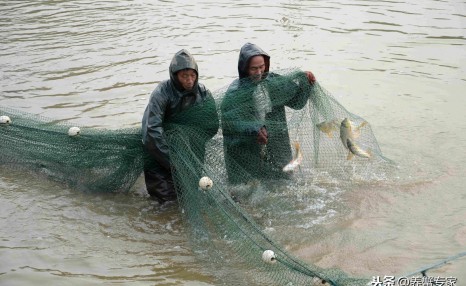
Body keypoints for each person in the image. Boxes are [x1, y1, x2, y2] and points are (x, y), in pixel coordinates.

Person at [220, 42, 316, 184]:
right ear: (244, 68)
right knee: (249, 187)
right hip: (247, 148)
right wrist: (255, 130)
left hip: (276, 142)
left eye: (261, 67)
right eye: (253, 68)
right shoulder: (235, 92)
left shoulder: (274, 82)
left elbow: (297, 103)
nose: (259, 72)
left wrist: (306, 84)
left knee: (284, 182)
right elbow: (230, 121)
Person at [142, 49, 219, 203]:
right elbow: (151, 131)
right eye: (184, 76)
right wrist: (173, 161)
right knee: (166, 203)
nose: (190, 80)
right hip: (160, 156)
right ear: (175, 76)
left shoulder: (203, 93)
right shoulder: (162, 93)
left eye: (192, 75)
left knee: (190, 198)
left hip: (190, 155)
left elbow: (212, 125)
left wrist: (191, 147)